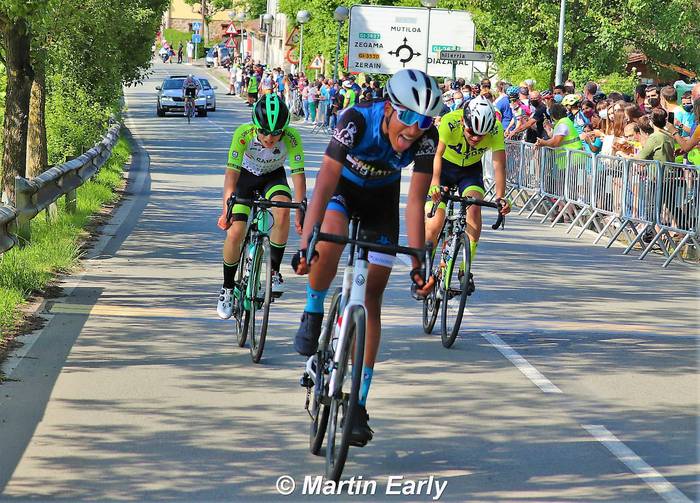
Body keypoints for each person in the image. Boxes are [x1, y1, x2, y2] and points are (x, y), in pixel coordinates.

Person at [291, 69, 442, 446]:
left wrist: (418, 263)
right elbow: (325, 180)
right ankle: (313, 311)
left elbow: (415, 202)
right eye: (407, 117)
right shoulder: (356, 119)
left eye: (423, 122)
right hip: (343, 191)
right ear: (389, 108)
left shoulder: (426, 139)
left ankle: (358, 404)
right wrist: (308, 239)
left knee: (372, 296)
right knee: (334, 237)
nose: (413, 130)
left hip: (382, 202)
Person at [217, 95, 307, 318]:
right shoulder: (243, 134)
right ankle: (227, 287)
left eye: (277, 133)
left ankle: (274, 271)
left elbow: (298, 175)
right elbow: (231, 175)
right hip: (245, 178)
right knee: (236, 232)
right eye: (265, 131)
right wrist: (226, 209)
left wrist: (301, 209)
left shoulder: (292, 138)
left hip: (273, 177)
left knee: (283, 207)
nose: (270, 137)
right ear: (255, 126)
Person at [424, 97, 511, 294]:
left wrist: (500, 197)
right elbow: (436, 154)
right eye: (472, 132)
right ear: (464, 122)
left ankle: (465, 269)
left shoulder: (496, 129)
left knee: (474, 208)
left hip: (470, 171)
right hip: (444, 168)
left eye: (482, 135)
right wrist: (435, 183)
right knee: (435, 222)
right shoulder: (450, 121)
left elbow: (499, 164)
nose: (476, 139)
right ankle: (425, 267)